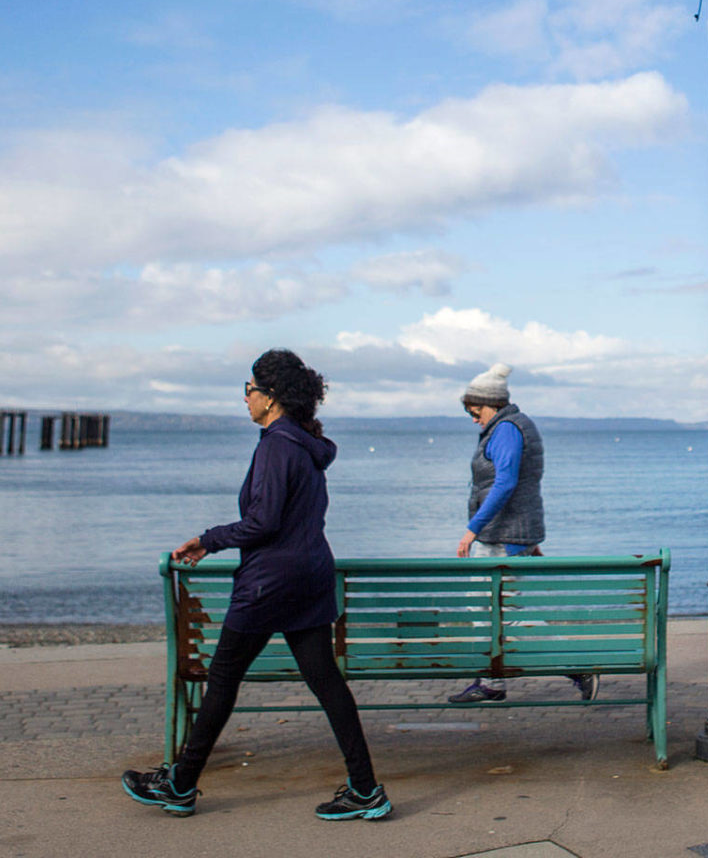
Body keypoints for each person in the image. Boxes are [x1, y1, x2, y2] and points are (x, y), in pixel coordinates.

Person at [122, 349, 390, 821]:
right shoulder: (305, 445)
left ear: (271, 398)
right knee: (326, 682)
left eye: (249, 390)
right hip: (310, 578)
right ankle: (366, 789)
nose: (245, 398)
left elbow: (263, 522)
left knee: (223, 679)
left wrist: (209, 540)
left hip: (270, 583)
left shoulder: (276, 445)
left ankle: (180, 785)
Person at [447, 362, 596, 704]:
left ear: (493, 404)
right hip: (512, 535)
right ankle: (492, 682)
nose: (474, 419)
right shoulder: (512, 426)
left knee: (500, 614)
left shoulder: (506, 430)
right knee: (490, 609)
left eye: (475, 411)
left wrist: (472, 530)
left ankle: (578, 665)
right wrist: (529, 538)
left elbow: (506, 483)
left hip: (499, 538)